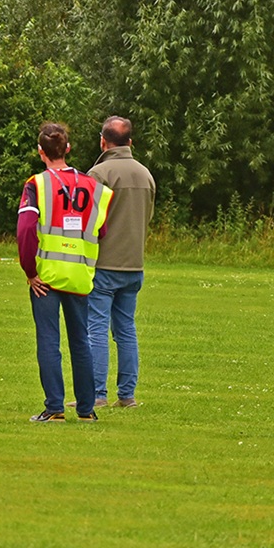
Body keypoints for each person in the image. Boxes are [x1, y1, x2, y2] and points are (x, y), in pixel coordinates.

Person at [17, 122, 113, 423]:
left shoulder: (37, 184)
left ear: (40, 152)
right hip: (79, 273)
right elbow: (103, 229)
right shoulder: (93, 186)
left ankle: (55, 407)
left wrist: (30, 270)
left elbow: (26, 230)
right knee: (80, 341)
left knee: (48, 340)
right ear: (68, 149)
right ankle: (86, 410)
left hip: (45, 275)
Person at [86, 116, 155, 408]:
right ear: (130, 142)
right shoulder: (145, 174)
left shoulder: (99, 173)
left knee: (97, 329)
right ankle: (127, 395)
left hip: (104, 264)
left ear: (103, 141)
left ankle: (97, 394)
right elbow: (148, 218)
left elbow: (91, 221)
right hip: (134, 264)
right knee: (126, 329)